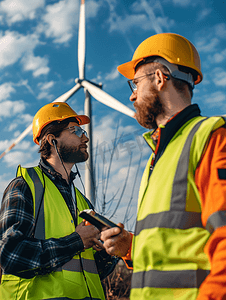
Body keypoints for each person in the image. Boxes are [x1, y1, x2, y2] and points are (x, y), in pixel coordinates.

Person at [100, 32, 226, 299]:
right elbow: (176, 243)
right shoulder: (157, 155)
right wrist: (130, 247)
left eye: (135, 84)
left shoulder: (211, 138)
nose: (133, 97)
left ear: (159, 78)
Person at [0, 102, 118, 299]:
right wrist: (76, 241)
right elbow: (10, 255)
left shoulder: (83, 202)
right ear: (52, 140)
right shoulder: (25, 186)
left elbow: (91, 272)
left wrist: (108, 251)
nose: (86, 137)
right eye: (76, 130)